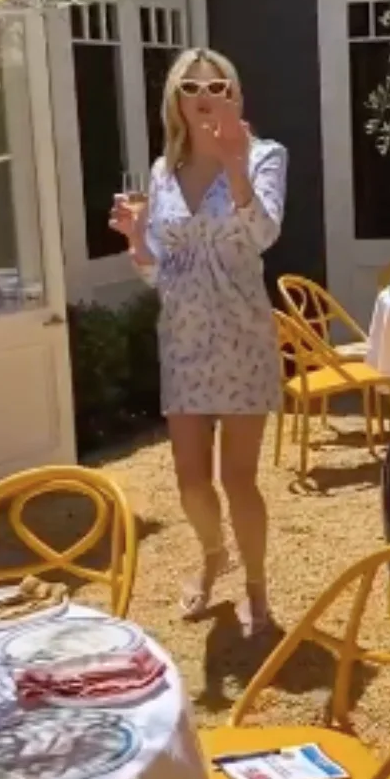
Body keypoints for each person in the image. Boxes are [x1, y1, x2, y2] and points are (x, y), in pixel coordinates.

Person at [110, 47, 287, 637]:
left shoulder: (264, 156)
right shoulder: (163, 172)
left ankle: (257, 588)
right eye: (191, 85)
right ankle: (214, 555)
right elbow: (160, 270)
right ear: (176, 100)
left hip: (241, 334)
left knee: (239, 477)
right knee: (190, 480)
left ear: (236, 96)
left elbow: (262, 234)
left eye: (219, 84)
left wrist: (235, 167)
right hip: (182, 338)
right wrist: (138, 240)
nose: (205, 92)